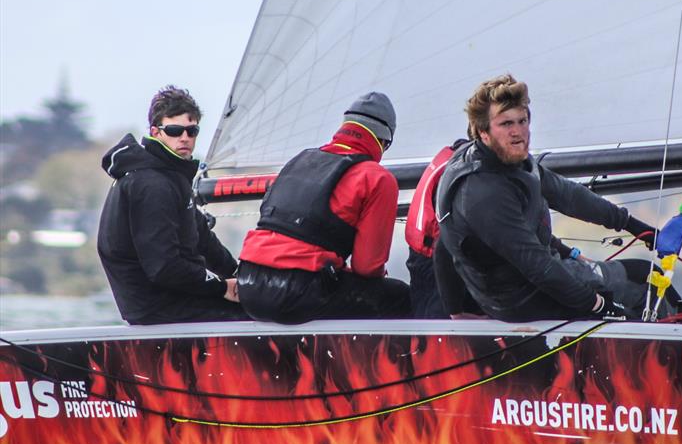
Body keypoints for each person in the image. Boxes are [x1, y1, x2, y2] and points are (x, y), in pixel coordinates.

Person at [435, 74, 677, 322]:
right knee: (645, 291)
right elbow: (537, 266)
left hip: (542, 279)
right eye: (506, 124)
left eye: (523, 121)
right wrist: (599, 306)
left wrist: (635, 227)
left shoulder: (511, 160)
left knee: (646, 275)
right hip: (526, 300)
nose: (518, 132)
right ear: (483, 132)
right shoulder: (482, 193)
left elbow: (569, 195)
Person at [237, 92, 411, 323]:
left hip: (248, 283)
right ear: (383, 142)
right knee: (399, 297)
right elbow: (367, 267)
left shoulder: (301, 158)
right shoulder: (377, 178)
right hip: (294, 292)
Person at [97, 86, 248, 325]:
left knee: (262, 303)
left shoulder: (172, 177)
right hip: (158, 308)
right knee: (259, 317)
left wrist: (239, 276)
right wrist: (222, 288)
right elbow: (163, 267)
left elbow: (202, 238)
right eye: (175, 130)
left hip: (176, 298)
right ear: (156, 132)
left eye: (192, 131)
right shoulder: (152, 185)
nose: (185, 138)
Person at [405, 138, 483, 318]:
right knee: (444, 339)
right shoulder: (468, 170)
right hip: (439, 270)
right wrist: (455, 312)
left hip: (422, 263)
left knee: (429, 335)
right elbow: (444, 246)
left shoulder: (451, 157)